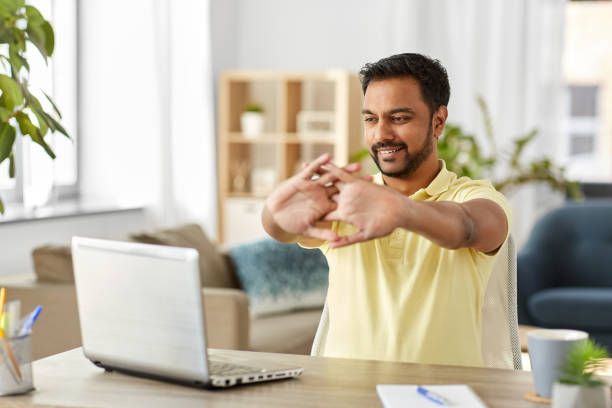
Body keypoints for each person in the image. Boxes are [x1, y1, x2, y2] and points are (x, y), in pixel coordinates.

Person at [261, 53, 511, 367]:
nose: (381, 134)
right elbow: (281, 228)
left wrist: (402, 211)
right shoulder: (346, 198)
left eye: (399, 118)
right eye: (371, 119)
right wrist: (274, 216)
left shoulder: (472, 195)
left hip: (442, 396)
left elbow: (472, 226)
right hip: (342, 396)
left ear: (438, 121)